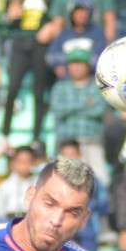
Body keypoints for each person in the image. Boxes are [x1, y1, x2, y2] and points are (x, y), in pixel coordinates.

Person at [0, 0, 57, 148]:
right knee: (12, 89)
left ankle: (36, 137)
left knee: (39, 92)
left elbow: (58, 16)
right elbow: (7, 17)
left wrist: (52, 26)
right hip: (19, 42)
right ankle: (4, 135)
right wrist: (11, 11)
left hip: (40, 44)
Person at [48, 48, 109, 184]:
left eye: (80, 63)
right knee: (58, 182)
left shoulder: (98, 87)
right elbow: (58, 111)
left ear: (88, 66)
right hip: (66, 145)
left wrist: (71, 108)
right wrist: (85, 104)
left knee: (100, 181)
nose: (76, 67)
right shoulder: (60, 87)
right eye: (73, 63)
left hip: (91, 142)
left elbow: (99, 110)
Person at [45, 0, 107, 79]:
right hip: (66, 80)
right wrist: (58, 65)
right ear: (72, 13)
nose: (82, 15)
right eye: (78, 12)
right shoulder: (64, 34)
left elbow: (100, 59)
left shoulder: (97, 33)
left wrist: (71, 57)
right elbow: (50, 57)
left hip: (91, 81)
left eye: (85, 12)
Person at [0, 146, 37, 219]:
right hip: (9, 221)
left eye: (27, 161)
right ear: (13, 162)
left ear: (33, 162)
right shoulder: (5, 185)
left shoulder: (39, 183)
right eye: (20, 161)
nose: (24, 164)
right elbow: (0, 211)